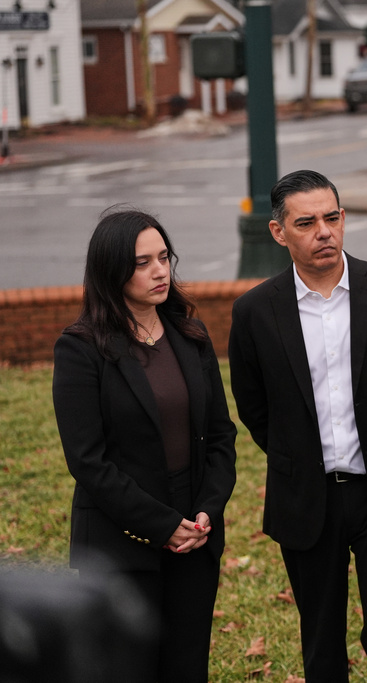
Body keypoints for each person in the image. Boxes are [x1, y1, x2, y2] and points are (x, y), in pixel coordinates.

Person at [228, 170, 367, 683]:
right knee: (320, 638)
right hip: (307, 496)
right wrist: (295, 453)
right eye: (306, 222)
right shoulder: (254, 311)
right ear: (279, 233)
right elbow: (253, 406)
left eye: (332, 218)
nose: (324, 231)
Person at [52, 207, 237, 683]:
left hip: (194, 538)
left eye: (163, 257)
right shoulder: (81, 348)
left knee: (186, 667)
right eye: (142, 262)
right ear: (111, 270)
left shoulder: (190, 336)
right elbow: (87, 461)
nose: (160, 271)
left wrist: (205, 514)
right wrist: (162, 526)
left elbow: (220, 437)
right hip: (120, 546)